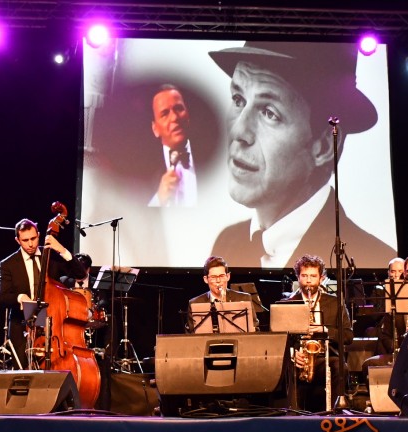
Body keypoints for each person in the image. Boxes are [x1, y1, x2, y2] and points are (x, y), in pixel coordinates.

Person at [207, 41, 395, 267]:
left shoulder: (372, 256)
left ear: (325, 146)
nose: (239, 131)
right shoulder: (227, 241)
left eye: (269, 113)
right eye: (238, 100)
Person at [0, 219, 86, 362]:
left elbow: (81, 274)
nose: (31, 244)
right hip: (22, 325)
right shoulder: (8, 264)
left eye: (33, 238)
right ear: (17, 240)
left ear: (39, 235)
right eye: (25, 240)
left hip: (51, 324)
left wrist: (61, 250)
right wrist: (20, 297)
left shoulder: (51, 257)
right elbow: (2, 297)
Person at [279, 254, 352, 412]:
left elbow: (348, 336)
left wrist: (324, 329)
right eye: (304, 276)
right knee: (285, 367)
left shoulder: (334, 302)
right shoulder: (288, 304)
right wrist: (292, 354)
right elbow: (278, 339)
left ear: (322, 278)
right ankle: (292, 416)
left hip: (325, 357)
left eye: (313, 276)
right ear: (298, 277)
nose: (308, 281)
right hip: (298, 358)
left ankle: (335, 413)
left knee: (340, 367)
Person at [148, 84, 198, 207]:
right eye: (165, 113)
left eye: (179, 109)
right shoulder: (141, 173)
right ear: (155, 129)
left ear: (188, 115)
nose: (174, 117)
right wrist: (158, 200)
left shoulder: (214, 155)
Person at [185, 256, 258, 333]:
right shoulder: (195, 303)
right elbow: (191, 333)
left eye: (222, 276)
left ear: (228, 276)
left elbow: (255, 328)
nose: (218, 281)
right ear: (206, 279)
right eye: (213, 277)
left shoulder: (244, 298)